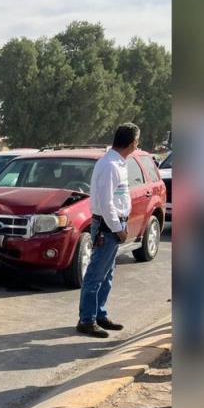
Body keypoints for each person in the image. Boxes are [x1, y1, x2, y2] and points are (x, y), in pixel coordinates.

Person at [76, 123, 140, 338]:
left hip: (115, 224)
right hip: (107, 226)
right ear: (132, 143)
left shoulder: (119, 163)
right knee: (95, 275)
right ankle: (87, 319)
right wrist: (118, 228)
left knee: (107, 275)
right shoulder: (110, 165)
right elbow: (105, 203)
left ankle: (99, 313)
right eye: (137, 141)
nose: (137, 145)